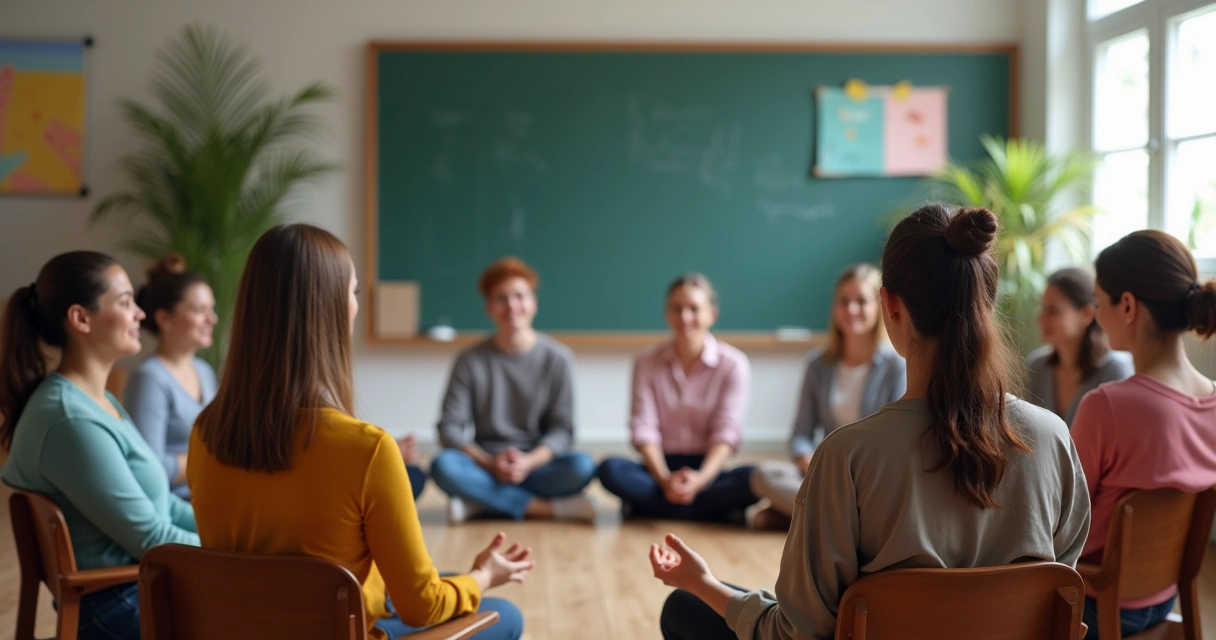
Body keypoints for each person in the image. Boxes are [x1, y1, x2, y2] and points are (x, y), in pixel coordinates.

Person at [647, 205, 1090, 639]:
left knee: (685, 609)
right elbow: (1057, 588)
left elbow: (797, 634)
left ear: (889, 307)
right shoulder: (1052, 437)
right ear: (987, 300)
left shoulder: (847, 456)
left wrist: (702, 584)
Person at [189, 224, 528, 639]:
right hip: (342, 630)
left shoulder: (205, 432)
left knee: (443, 580)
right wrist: (484, 575)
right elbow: (422, 606)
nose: (355, 305)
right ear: (331, 309)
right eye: (352, 293)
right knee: (505, 615)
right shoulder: (365, 449)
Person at [0, 251, 199, 640]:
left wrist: (236, 533)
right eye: (125, 302)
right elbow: (152, 540)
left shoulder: (94, 401)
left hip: (132, 589)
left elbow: (163, 506)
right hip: (117, 605)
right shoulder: (71, 421)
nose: (140, 313)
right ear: (80, 318)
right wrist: (242, 554)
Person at [1071, 230, 1216, 639]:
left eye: (1101, 303)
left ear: (1129, 305)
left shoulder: (1108, 406)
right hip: (1163, 597)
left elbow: (1065, 520)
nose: (1098, 316)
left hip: (1097, 602)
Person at [429, 257, 597, 524]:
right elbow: (449, 428)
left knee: (582, 466)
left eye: (520, 296)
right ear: (488, 308)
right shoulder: (470, 360)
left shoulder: (558, 358)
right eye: (501, 298)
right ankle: (543, 508)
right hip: (486, 465)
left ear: (534, 303)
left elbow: (563, 430)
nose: (512, 306)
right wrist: (488, 462)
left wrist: (529, 462)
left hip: (537, 465)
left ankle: (480, 503)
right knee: (443, 466)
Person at [750, 264, 906, 529]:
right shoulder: (817, 365)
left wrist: (853, 476)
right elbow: (800, 434)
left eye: (861, 301)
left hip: (872, 479)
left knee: (892, 495)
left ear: (879, 306)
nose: (851, 310)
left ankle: (804, 518)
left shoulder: (896, 365)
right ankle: (844, 523)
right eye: (843, 301)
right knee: (762, 476)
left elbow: (897, 440)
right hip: (824, 474)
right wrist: (812, 465)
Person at [598, 273, 759, 524]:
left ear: (712, 314)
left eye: (694, 309)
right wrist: (664, 479)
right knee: (610, 469)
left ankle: (653, 507)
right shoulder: (646, 362)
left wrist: (700, 480)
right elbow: (644, 428)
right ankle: (706, 511)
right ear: (667, 313)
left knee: (755, 477)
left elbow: (726, 432)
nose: (685, 317)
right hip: (659, 468)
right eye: (677, 308)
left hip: (708, 471)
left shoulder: (733, 364)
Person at [122, 254, 218, 499]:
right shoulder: (150, 379)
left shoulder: (204, 371)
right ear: (165, 318)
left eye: (211, 309)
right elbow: (150, 470)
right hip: (179, 505)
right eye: (199, 310)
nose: (212, 319)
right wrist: (214, 457)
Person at [1025, 267, 1133, 425]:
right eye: (1043, 308)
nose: (1041, 319)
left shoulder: (1115, 369)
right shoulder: (1037, 366)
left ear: (1086, 314)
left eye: (1053, 310)